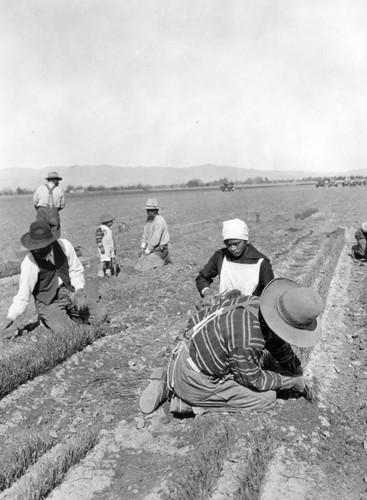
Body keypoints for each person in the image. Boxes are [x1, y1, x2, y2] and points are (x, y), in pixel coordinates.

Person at [139, 278, 324, 415]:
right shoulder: (249, 338)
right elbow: (253, 380)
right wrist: (291, 381)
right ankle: (187, 402)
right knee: (267, 399)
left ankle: (164, 380)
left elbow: (276, 342)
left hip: (180, 353)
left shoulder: (253, 303)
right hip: (194, 378)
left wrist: (295, 367)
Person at [0, 220, 108, 339]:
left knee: (101, 314)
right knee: (70, 332)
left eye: (40, 247)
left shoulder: (64, 246)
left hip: (69, 293)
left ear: (50, 242)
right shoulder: (29, 263)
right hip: (48, 302)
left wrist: (79, 290)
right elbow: (23, 294)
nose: (37, 251)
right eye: (34, 247)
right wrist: (11, 316)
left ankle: (66, 315)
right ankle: (50, 317)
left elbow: (75, 270)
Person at [196, 218, 274, 305]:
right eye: (228, 245)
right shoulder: (220, 257)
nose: (233, 249)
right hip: (224, 307)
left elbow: (271, 292)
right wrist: (207, 293)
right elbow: (202, 277)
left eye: (236, 244)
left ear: (245, 240)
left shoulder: (261, 263)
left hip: (251, 310)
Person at [134, 198, 170, 271]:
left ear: (156, 210)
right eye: (148, 210)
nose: (150, 212)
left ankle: (163, 261)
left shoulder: (159, 221)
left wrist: (147, 251)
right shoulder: (149, 219)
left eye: (152, 210)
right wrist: (143, 247)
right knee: (138, 264)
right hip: (152, 248)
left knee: (142, 267)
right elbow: (145, 233)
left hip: (159, 249)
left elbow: (155, 240)